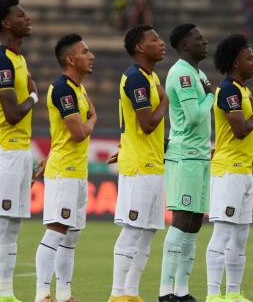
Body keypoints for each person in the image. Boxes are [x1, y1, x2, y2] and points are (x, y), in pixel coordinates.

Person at [0, 0, 37, 301]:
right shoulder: (1, 61)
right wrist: (34, 98)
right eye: (20, 14)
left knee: (13, 224)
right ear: (6, 23)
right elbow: (13, 113)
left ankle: (5, 293)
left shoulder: (19, 59)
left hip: (20, 151)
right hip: (2, 151)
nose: (27, 17)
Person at [34, 34, 97, 302]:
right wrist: (90, 122)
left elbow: (89, 118)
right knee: (57, 229)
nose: (91, 55)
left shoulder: (78, 89)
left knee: (71, 236)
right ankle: (42, 294)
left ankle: (64, 295)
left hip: (77, 171)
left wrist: (90, 120)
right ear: (71, 59)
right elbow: (79, 132)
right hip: (64, 172)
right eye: (85, 51)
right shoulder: (62, 89)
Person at [108, 25, 168, 302]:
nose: (161, 43)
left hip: (153, 164)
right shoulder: (135, 78)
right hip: (139, 166)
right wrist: (165, 100)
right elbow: (146, 124)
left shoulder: (149, 76)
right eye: (154, 39)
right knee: (133, 230)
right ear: (140, 48)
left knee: (147, 232)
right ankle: (117, 293)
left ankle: (131, 293)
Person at [159, 23, 214, 302]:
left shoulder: (199, 73)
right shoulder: (181, 73)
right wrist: (212, 96)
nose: (204, 42)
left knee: (194, 223)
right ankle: (165, 291)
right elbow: (194, 116)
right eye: (198, 38)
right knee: (181, 220)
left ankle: (181, 290)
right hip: (185, 155)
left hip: (201, 155)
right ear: (184, 45)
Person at [205, 34, 253, 302]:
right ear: (236, 62)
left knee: (239, 237)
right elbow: (240, 129)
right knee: (223, 233)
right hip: (228, 171)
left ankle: (234, 293)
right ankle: (214, 294)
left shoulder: (244, 91)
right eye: (249, 58)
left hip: (243, 172)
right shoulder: (228, 90)